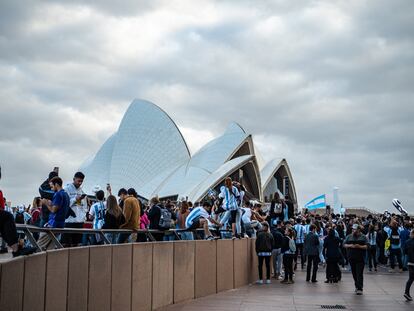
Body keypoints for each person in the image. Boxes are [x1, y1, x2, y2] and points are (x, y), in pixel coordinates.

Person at [63, 172, 88, 246]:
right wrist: (75, 199)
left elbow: (84, 206)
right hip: (69, 222)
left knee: (76, 245)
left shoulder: (81, 191)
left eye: (81, 181)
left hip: (79, 222)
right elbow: (65, 205)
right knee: (66, 245)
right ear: (74, 179)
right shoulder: (66, 189)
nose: (80, 183)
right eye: (78, 181)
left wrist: (83, 217)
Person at [344, 224, 368, 295]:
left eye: (354, 229)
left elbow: (367, 246)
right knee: (354, 273)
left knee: (359, 273)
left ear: (358, 229)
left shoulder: (364, 237)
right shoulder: (349, 236)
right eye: (352, 229)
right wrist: (350, 245)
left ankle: (360, 288)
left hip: (360, 258)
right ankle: (357, 286)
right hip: (351, 258)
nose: (353, 230)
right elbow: (344, 244)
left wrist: (359, 246)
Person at [403, 229, 414, 301]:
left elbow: (405, 252)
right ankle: (407, 293)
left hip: (410, 262)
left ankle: (406, 292)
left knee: (410, 278)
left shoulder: (407, 242)